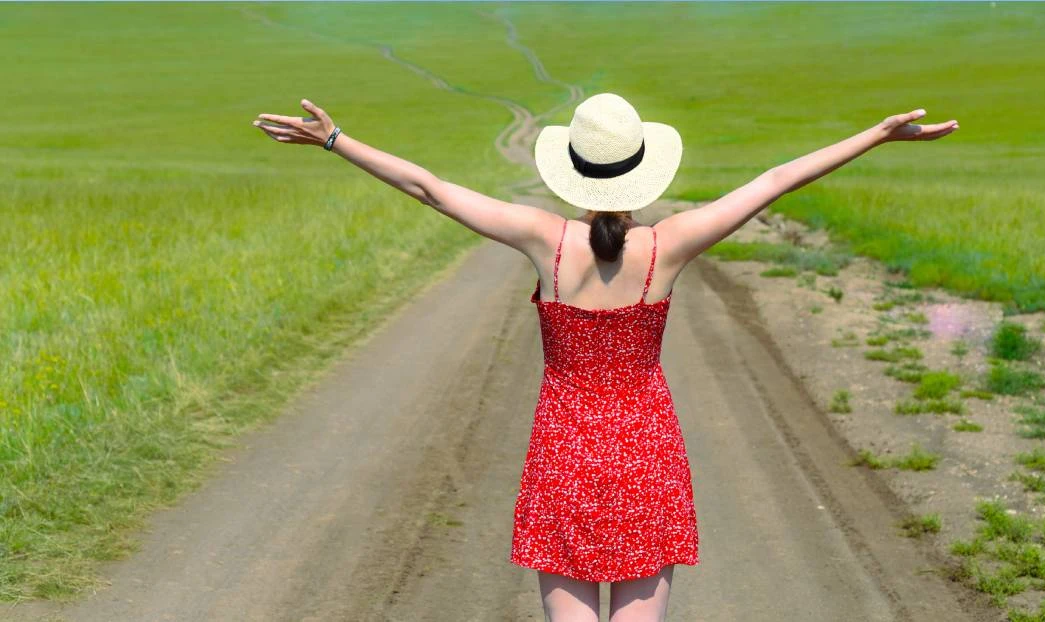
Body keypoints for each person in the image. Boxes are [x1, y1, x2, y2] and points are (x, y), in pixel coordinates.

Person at [251, 92, 958, 622]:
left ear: (576, 173)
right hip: (646, 449)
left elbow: (428, 187)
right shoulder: (668, 246)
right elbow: (775, 180)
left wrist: (336, 139)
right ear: (643, 169)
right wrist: (876, 135)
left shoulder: (544, 240)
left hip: (564, 450)